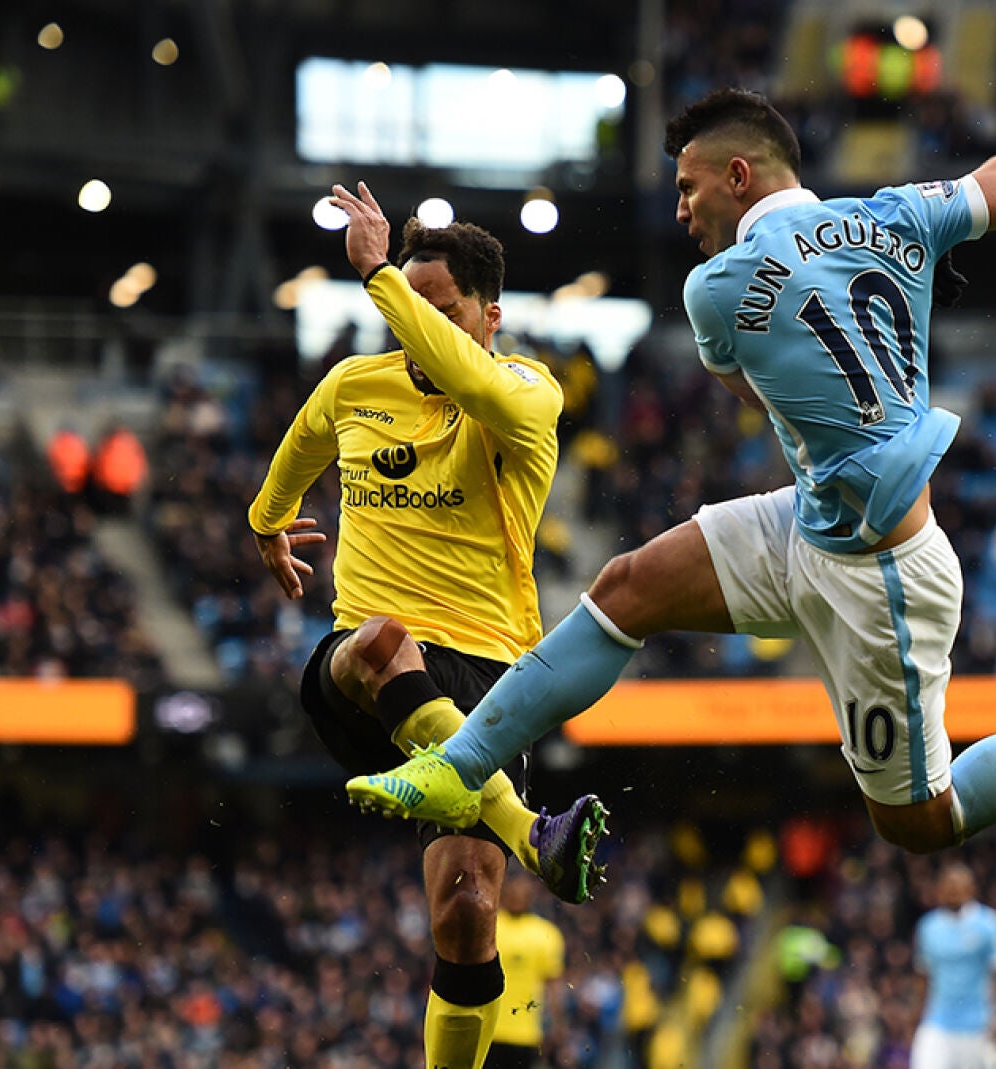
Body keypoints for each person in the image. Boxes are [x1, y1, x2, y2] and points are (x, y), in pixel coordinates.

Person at [348, 88, 996, 854]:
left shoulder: (715, 287)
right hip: (809, 520)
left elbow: (752, 387)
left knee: (922, 824)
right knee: (625, 588)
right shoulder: (894, 218)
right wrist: (929, 229)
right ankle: (459, 768)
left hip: (882, 576)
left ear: (740, 178)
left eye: (690, 189)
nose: (682, 213)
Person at [249, 198, 609, 1069]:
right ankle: (533, 833)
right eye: (403, 308)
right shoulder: (352, 387)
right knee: (379, 639)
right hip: (362, 666)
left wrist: (377, 276)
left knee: (468, 912)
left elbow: (471, 379)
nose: (411, 331)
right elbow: (295, 458)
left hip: (488, 675)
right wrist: (268, 523)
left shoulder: (526, 393)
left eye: (438, 312)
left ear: (491, 316)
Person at [910, 863, 996, 1069]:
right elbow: (923, 975)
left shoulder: (990, 924)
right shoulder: (928, 927)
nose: (953, 891)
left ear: (972, 889)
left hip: (980, 1024)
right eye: (948, 886)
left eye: (958, 886)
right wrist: (917, 1014)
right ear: (939, 889)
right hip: (938, 1023)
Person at [485, 872, 565, 1069]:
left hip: (527, 1034)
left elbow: (553, 985)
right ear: (503, 890)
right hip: (488, 1032)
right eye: (513, 889)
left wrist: (556, 1026)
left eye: (523, 890)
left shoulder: (546, 934)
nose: (518, 895)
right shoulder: (489, 927)